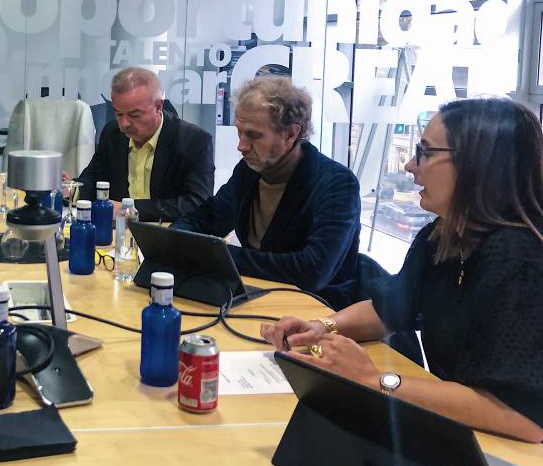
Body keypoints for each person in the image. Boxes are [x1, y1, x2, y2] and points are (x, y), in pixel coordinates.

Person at [262, 98, 543, 443]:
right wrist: (323, 327)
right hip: (457, 433)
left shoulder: (519, 260)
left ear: (477, 164)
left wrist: (375, 381)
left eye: (424, 152)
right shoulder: (442, 235)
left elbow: (520, 418)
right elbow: (388, 308)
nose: (411, 165)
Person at [171, 77, 361, 308]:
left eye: (253, 135)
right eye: (240, 133)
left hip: (317, 314)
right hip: (258, 301)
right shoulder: (250, 171)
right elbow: (206, 218)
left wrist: (214, 255)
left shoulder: (336, 184)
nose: (241, 145)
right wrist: (177, 240)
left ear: (291, 134)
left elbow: (312, 270)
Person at [75, 67, 214, 222]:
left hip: (166, 235)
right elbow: (93, 180)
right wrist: (70, 189)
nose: (124, 123)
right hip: (116, 236)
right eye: (118, 113)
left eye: (134, 115)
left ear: (158, 107)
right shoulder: (112, 133)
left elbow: (197, 204)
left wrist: (129, 209)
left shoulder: (193, 141)